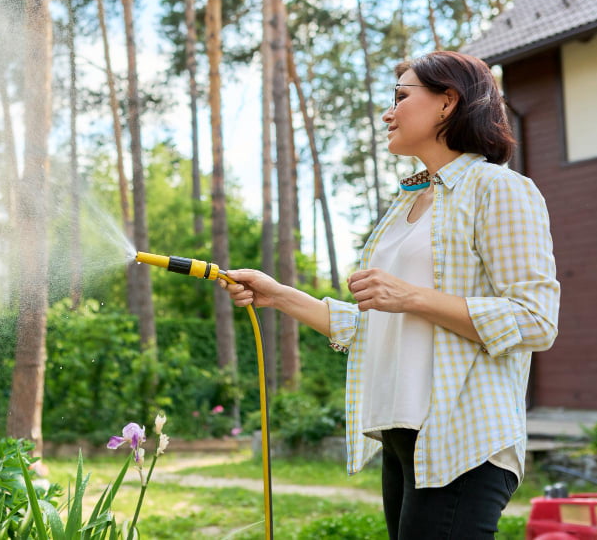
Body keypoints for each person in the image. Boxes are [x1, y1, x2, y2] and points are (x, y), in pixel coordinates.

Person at [222, 51, 559, 539]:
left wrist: (411, 296)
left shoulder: (498, 190)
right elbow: (382, 325)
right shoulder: (408, 204)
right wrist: (279, 296)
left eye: (402, 97)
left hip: (462, 436)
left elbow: (535, 319)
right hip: (404, 435)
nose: (388, 113)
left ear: (448, 102)